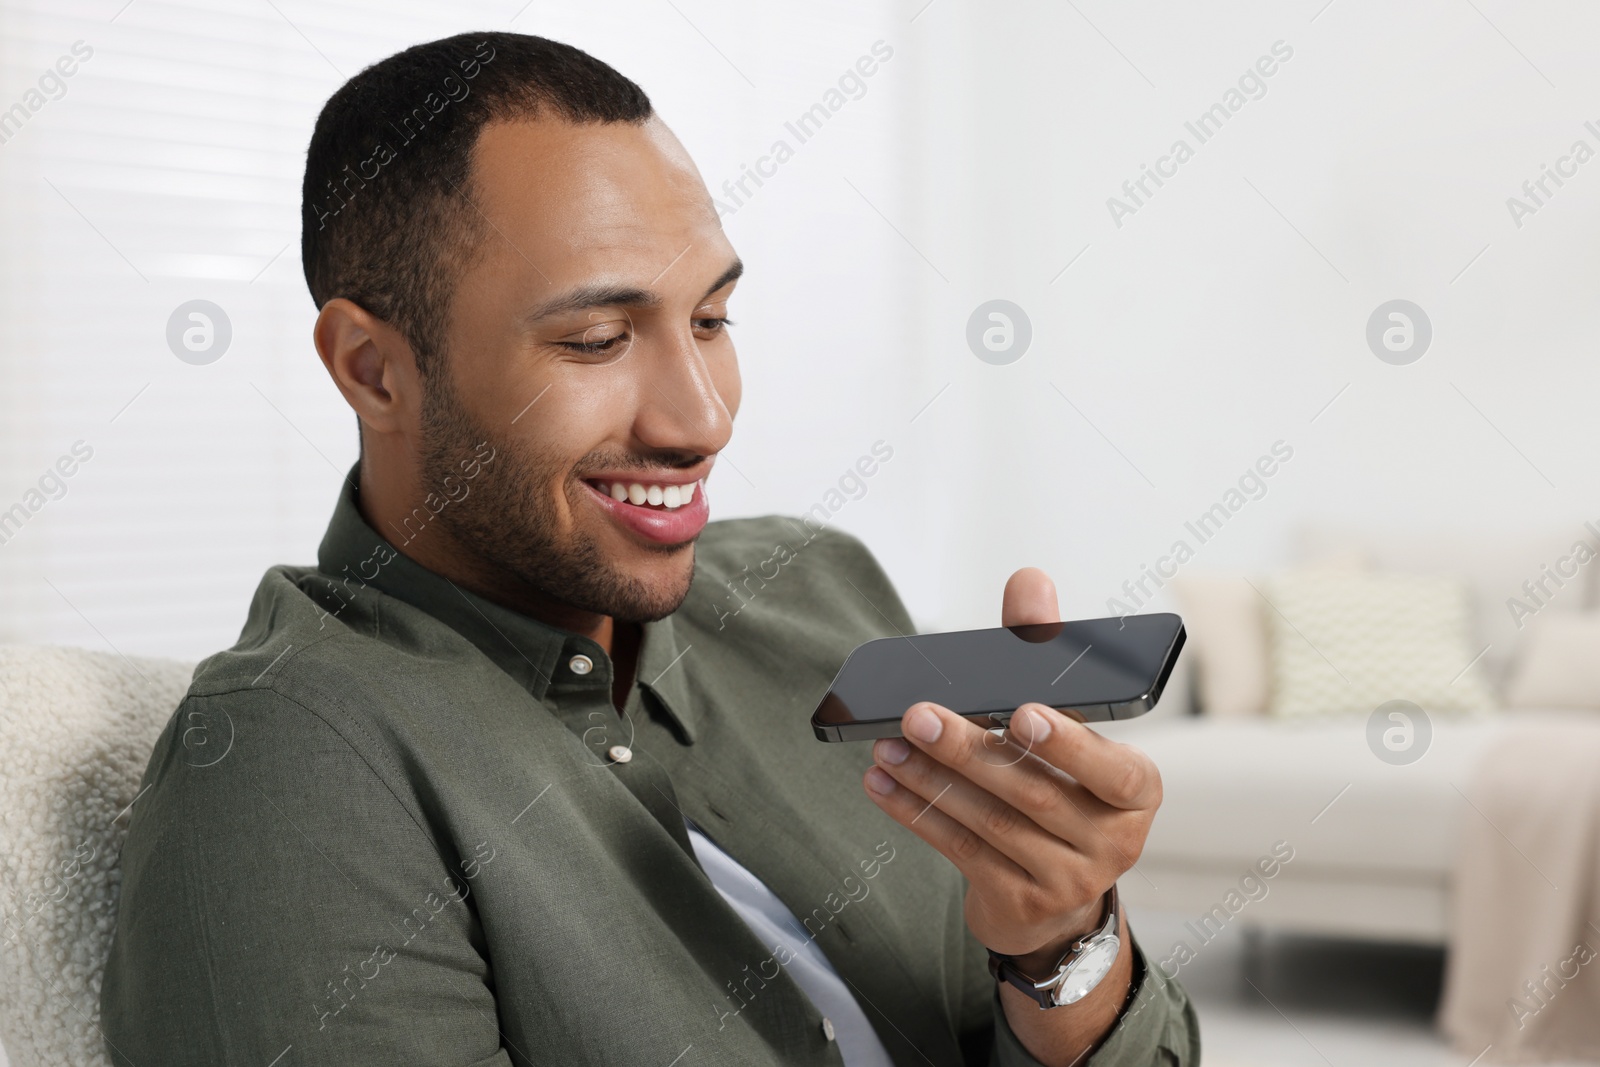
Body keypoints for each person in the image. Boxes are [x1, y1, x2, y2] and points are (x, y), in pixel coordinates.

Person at [99, 31, 1197, 1067]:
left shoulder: (817, 586)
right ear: (373, 368)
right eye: (598, 339)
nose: (702, 418)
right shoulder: (288, 762)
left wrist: (1060, 941)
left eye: (712, 320)